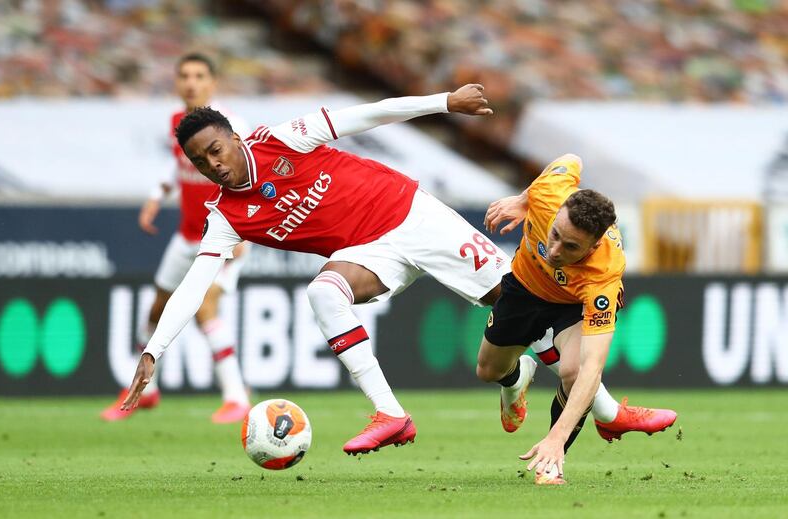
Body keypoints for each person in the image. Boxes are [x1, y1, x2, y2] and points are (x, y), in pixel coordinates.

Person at [119, 84, 672, 455]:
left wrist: (445, 102)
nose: (213, 164)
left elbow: (367, 115)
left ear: (234, 137)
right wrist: (153, 352)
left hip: (413, 216)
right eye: (200, 161)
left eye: (217, 148)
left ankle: (568, 397)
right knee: (323, 293)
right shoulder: (226, 218)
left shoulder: (283, 139)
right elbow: (194, 285)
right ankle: (391, 414)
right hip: (369, 252)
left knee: (516, 306)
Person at [480, 153, 677, 485]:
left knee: (573, 373)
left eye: (571, 247)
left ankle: (553, 463)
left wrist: (557, 438)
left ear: (594, 244)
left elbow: (592, 369)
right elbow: (571, 158)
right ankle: (517, 379)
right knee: (488, 371)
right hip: (525, 285)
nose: (555, 251)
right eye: (555, 234)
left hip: (572, 304)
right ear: (557, 212)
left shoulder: (604, 272)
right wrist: (522, 199)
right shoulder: (548, 193)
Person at [101, 53, 251, 424]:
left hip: (226, 237)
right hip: (187, 237)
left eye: (199, 76)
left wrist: (247, 228)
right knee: (156, 310)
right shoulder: (177, 123)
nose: (191, 82)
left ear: (213, 82)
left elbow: (252, 172)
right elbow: (179, 163)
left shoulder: (231, 126)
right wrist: (158, 194)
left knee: (204, 310)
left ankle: (236, 397)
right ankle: (145, 391)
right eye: (184, 75)